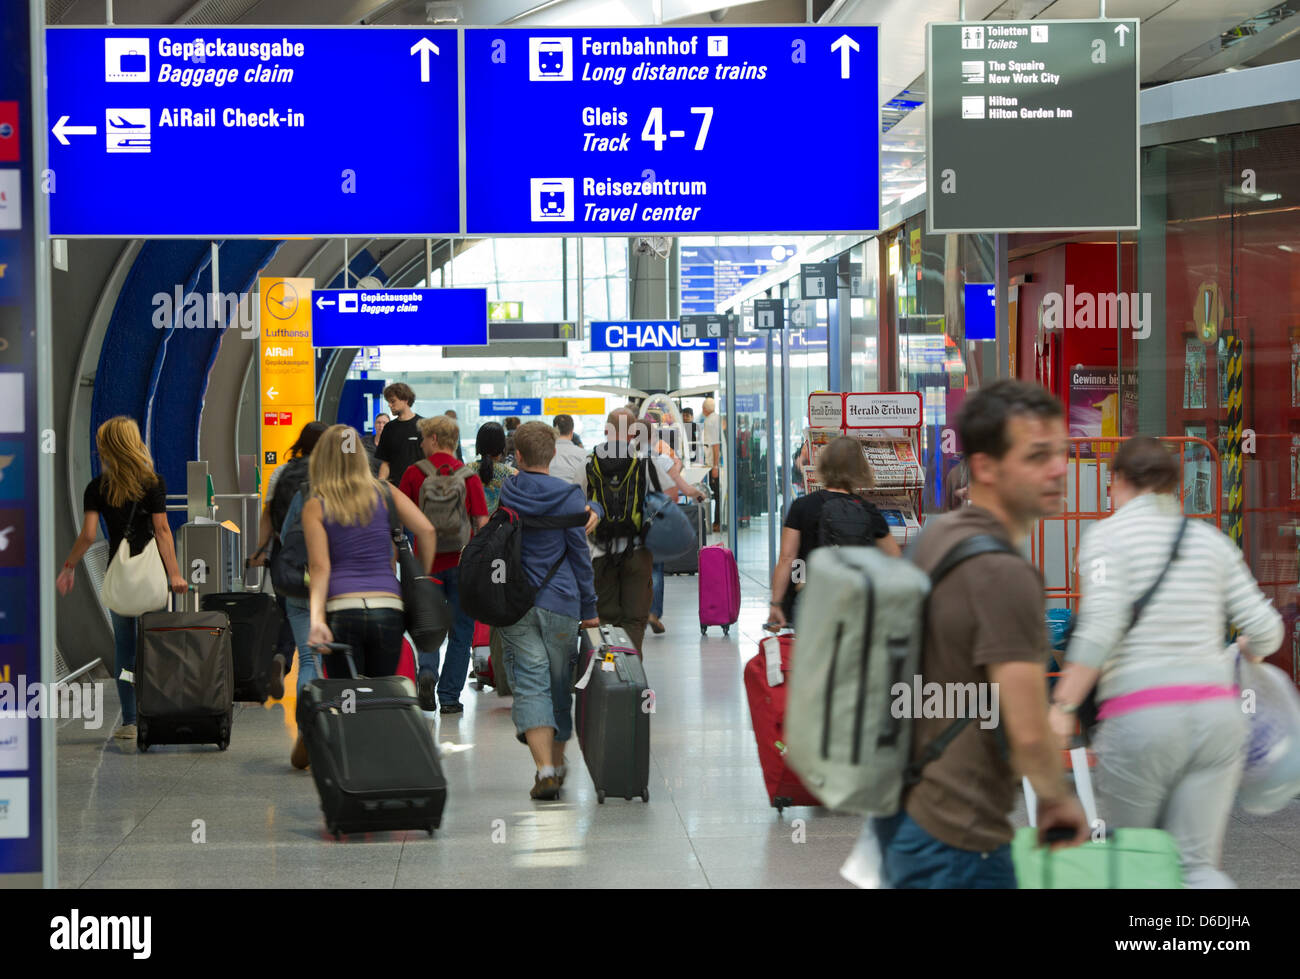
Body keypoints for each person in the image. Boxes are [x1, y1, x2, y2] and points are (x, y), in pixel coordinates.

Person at [874, 380, 1089, 888]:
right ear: (986, 467)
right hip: (959, 836)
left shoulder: (939, 536)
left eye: (1060, 452)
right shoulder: (1004, 572)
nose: (1059, 469)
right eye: (1037, 456)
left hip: (908, 807)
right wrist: (1059, 801)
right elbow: (1028, 724)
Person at [1050, 436, 1283, 888]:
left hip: (1141, 719)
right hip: (1216, 720)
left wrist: (1061, 706)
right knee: (1196, 866)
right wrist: (1242, 653)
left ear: (1115, 480)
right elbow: (1268, 629)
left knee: (1139, 863)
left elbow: (1100, 629)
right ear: (1174, 485)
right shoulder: (1211, 542)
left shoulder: (1107, 537)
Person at [56, 416, 187, 740]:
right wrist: (175, 575)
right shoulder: (153, 483)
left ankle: (130, 721)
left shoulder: (97, 489)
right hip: (151, 578)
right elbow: (161, 531)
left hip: (121, 577)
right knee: (157, 647)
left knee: (126, 653)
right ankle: (159, 714)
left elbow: (88, 535)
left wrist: (69, 566)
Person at [497, 422, 601, 800]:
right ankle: (556, 764)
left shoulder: (509, 491)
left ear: (518, 456)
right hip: (561, 603)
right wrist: (590, 608)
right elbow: (579, 558)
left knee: (530, 680)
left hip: (516, 604)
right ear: (554, 453)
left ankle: (544, 770)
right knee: (559, 685)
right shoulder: (569, 496)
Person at [302, 424, 437, 686]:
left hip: (342, 608)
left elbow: (319, 567)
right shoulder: (386, 493)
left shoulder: (316, 505)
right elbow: (428, 530)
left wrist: (317, 619)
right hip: (388, 608)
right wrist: (423, 576)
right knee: (380, 696)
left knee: (348, 698)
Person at [587, 408, 704, 651]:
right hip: (638, 551)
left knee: (606, 619)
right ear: (632, 433)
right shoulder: (646, 462)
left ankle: (608, 672)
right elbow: (671, 495)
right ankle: (630, 675)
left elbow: (578, 505)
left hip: (599, 553)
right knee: (635, 619)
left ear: (606, 431)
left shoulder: (588, 462)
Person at [399, 414, 489, 713]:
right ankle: (449, 697)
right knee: (462, 632)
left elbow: (399, 517)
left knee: (428, 625)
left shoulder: (414, 474)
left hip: (426, 565)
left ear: (434, 439)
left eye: (424, 438)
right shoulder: (469, 476)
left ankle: (427, 672)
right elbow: (481, 521)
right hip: (463, 563)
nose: (422, 444)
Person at [767, 436, 901, 629]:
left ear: (824, 465)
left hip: (811, 600)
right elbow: (894, 559)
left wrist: (776, 604)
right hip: (855, 601)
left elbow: (787, 558)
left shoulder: (802, 507)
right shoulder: (868, 510)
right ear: (859, 469)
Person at [250, 420, 328, 699]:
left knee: (291, 612)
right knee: (317, 624)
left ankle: (282, 657)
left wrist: (261, 551)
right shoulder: (329, 474)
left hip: (288, 558)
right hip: (322, 559)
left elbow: (268, 517)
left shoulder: (282, 473)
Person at [643, 408, 689, 636]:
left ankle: (631, 612)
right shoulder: (660, 459)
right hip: (655, 519)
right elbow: (674, 492)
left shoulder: (621, 459)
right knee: (655, 567)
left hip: (629, 521)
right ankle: (653, 612)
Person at [374, 383, 424, 486]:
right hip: (396, 488)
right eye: (388, 402)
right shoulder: (389, 428)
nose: (389, 405)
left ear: (405, 400)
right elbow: (385, 463)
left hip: (419, 487)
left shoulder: (424, 426)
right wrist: (381, 484)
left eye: (393, 401)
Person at [472, 421, 517, 515]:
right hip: (503, 527)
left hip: (472, 527)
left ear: (478, 445)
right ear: (503, 446)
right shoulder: (513, 474)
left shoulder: (466, 471)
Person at [549, 414, 588, 495]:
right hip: (575, 500)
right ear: (572, 432)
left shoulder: (543, 453)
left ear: (554, 431)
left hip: (548, 500)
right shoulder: (584, 455)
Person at [699, 397, 722, 533]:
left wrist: (715, 466)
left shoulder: (711, 421)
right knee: (716, 493)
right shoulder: (714, 419)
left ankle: (717, 522)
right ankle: (716, 521)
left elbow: (715, 445)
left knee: (716, 493)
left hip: (713, 464)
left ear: (705, 409)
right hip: (711, 462)